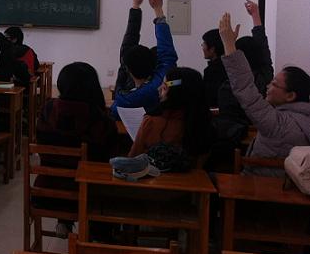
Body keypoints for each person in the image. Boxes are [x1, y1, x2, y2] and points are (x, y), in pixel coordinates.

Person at [219, 12, 310, 176]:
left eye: (274, 84)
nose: (268, 86)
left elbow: (246, 90)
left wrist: (229, 44)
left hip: (261, 183)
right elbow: (265, 57)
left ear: (290, 96)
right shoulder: (302, 119)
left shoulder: (280, 124)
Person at [35, 62, 118, 238]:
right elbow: (110, 157)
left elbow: (41, 145)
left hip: (47, 191)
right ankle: (98, 235)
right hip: (88, 195)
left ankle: (64, 221)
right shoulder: (99, 119)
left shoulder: (47, 110)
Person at [113, 0, 177, 116]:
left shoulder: (121, 101)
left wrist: (135, 7)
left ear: (128, 70)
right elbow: (167, 53)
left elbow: (128, 45)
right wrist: (158, 9)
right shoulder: (160, 86)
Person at [129, 67, 215, 159]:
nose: (159, 89)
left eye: (164, 87)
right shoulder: (205, 125)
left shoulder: (151, 122)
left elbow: (133, 158)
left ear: (175, 92)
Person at [201, 27, 227, 108]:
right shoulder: (230, 67)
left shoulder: (211, 71)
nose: (202, 46)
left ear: (212, 49)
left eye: (204, 44)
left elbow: (209, 98)